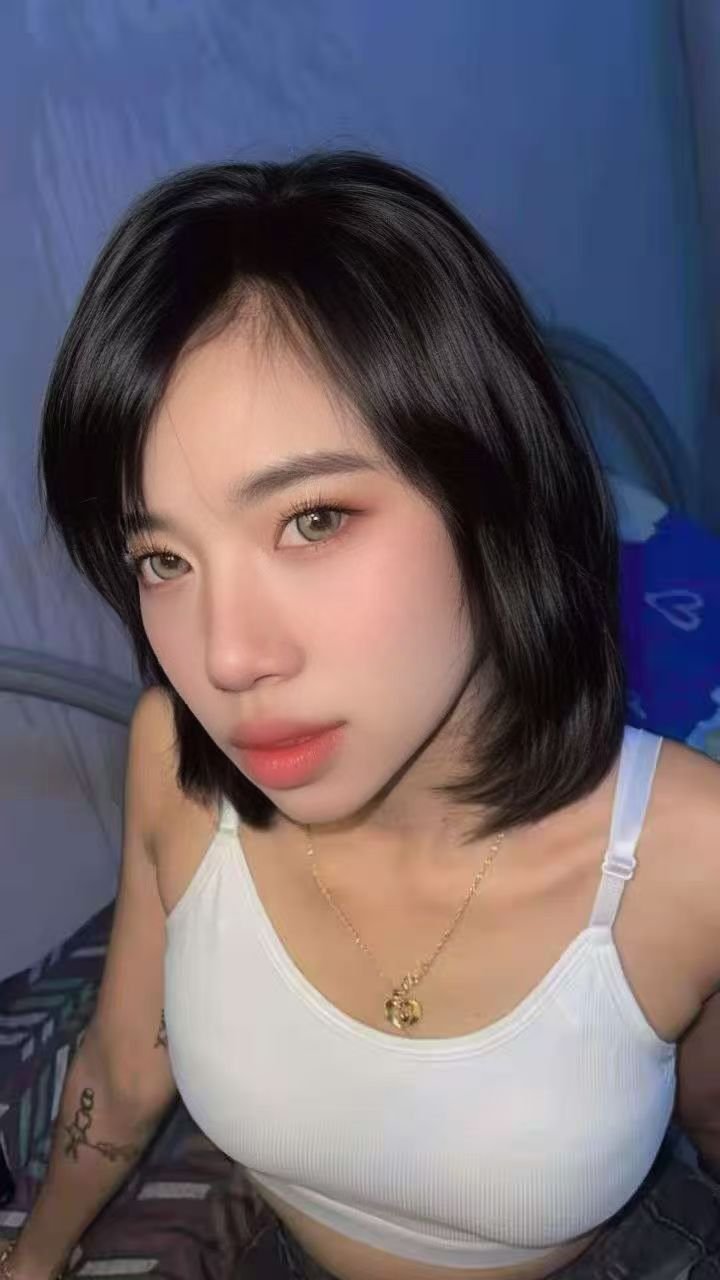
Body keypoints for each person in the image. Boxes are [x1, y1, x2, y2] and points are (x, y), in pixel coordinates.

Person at [2, 149, 719, 1280]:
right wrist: (35, 1258)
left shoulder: (694, 852)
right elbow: (126, 1066)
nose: (226, 659)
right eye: (163, 558)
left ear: (494, 496)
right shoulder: (172, 759)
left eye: (313, 519)